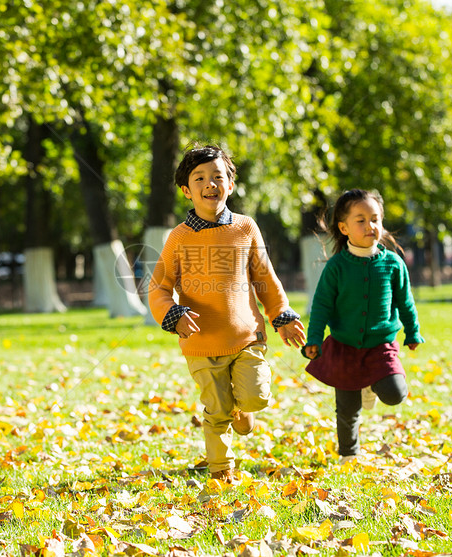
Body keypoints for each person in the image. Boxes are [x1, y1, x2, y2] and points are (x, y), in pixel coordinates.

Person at [148, 144, 306, 483]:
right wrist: (172, 314)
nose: (210, 184)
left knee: (256, 397)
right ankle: (221, 470)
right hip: (202, 343)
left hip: (247, 335)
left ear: (230, 185)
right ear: (187, 191)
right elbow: (158, 288)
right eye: (200, 178)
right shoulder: (179, 238)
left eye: (218, 177)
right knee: (216, 412)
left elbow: (264, 277)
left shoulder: (246, 228)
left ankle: (243, 407)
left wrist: (282, 314)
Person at [302, 189, 424, 463]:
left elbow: (406, 302)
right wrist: (314, 340)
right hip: (344, 346)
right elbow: (321, 306)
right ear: (344, 227)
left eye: (375, 219)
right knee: (347, 407)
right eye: (361, 220)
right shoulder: (336, 268)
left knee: (395, 394)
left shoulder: (393, 264)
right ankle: (349, 454)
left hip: (381, 345)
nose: (370, 226)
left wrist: (412, 330)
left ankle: (371, 384)